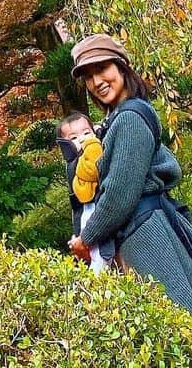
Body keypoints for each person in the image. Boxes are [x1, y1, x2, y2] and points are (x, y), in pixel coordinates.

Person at [65, 33, 192, 350]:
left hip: (149, 234)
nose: (96, 81)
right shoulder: (114, 122)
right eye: (88, 76)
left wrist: (86, 239)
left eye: (102, 69)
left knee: (189, 329)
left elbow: (119, 194)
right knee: (183, 330)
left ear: (121, 66)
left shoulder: (130, 118)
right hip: (142, 233)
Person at [56, 111, 114, 273]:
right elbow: (92, 169)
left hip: (99, 209)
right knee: (93, 248)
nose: (82, 139)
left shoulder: (94, 149)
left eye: (86, 133)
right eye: (73, 137)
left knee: (100, 249)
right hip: (88, 212)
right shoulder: (74, 163)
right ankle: (96, 274)